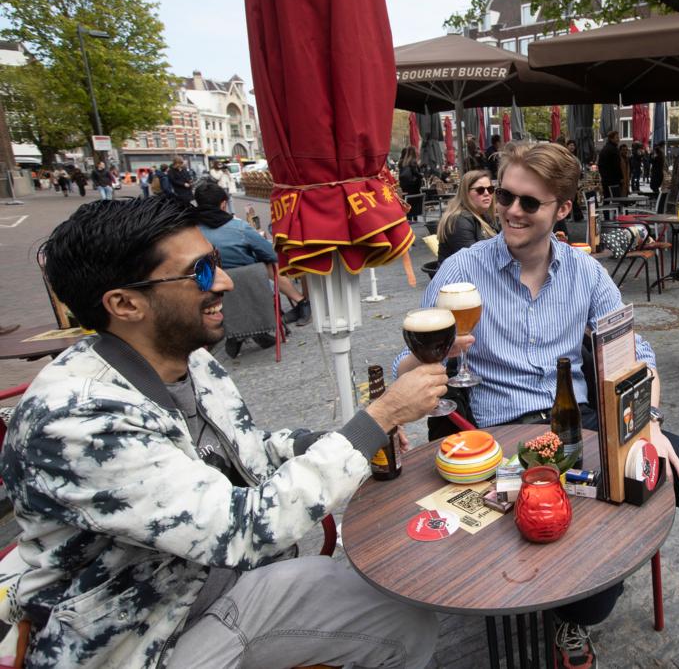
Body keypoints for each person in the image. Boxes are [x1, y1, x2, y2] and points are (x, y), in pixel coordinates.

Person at [0, 196, 445, 668]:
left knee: (397, 609)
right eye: (202, 272)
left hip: (218, 589)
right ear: (125, 304)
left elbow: (247, 453)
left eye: (216, 261)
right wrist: (377, 419)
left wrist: (327, 442)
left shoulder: (187, 359)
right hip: (145, 639)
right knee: (399, 622)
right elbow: (247, 527)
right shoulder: (80, 421)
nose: (228, 280)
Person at [395, 143, 679, 669]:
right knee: (588, 582)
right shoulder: (461, 273)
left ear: (562, 208)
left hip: (579, 423)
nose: (511, 210)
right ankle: (575, 614)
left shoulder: (585, 275)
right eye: (505, 196)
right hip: (500, 433)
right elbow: (410, 360)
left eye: (528, 203)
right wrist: (409, 385)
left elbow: (638, 356)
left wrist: (645, 423)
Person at [193, 183, 312, 347]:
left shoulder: (192, 233)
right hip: (251, 286)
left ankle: (237, 333)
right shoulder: (238, 227)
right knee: (269, 265)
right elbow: (270, 254)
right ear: (223, 204)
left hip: (215, 292)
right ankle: (301, 302)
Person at [436, 169, 498, 264]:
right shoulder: (459, 220)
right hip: (461, 277)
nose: (487, 193)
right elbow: (474, 262)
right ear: (466, 193)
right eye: (480, 190)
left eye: (490, 189)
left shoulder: (483, 215)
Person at [397, 146, 423, 221]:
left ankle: (409, 219)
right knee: (415, 204)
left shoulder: (404, 163)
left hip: (405, 189)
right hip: (414, 188)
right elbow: (417, 174)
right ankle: (415, 219)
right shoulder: (413, 162)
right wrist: (421, 175)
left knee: (409, 203)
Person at [597, 130, 622, 200]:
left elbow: (600, 165)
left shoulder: (605, 148)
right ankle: (617, 211)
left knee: (607, 198)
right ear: (611, 138)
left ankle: (606, 210)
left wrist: (604, 176)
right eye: (617, 137)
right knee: (617, 199)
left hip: (606, 179)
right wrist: (621, 177)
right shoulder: (613, 150)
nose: (618, 139)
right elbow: (617, 166)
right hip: (613, 179)